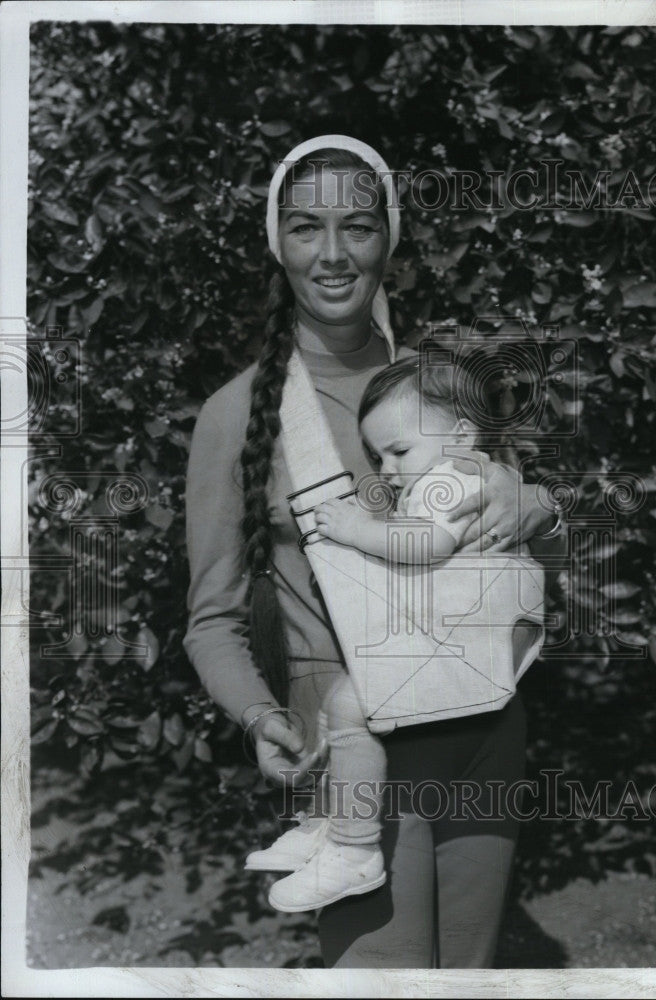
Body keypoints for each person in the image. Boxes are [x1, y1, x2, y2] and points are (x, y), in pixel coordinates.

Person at [183, 134, 564, 968]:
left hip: (483, 717)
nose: (332, 254)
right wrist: (261, 716)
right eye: (304, 227)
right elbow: (211, 621)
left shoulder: (439, 384)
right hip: (357, 742)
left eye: (357, 226)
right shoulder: (235, 414)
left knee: (470, 971)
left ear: (389, 236)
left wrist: (532, 500)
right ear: (274, 242)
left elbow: (519, 541)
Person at [263, 355, 546, 914]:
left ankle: (353, 848)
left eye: (399, 452)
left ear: (462, 434)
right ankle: (330, 819)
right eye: (378, 457)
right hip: (452, 636)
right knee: (340, 707)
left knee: (350, 706)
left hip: (464, 640)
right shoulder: (452, 472)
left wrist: (355, 527)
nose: (388, 470)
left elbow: (427, 546)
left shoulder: (455, 477)